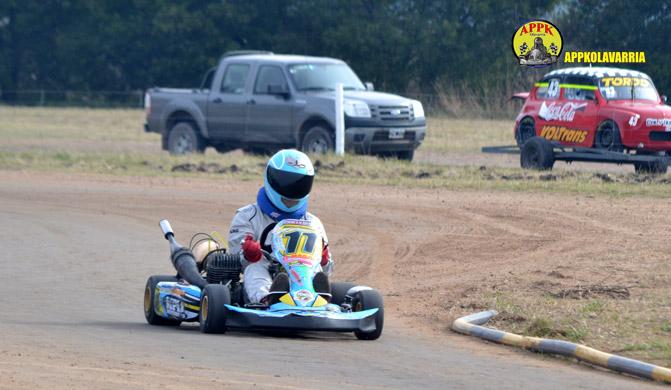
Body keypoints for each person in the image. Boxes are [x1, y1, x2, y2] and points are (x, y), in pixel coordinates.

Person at [227, 149, 333, 304]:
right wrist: (249, 253)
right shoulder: (248, 216)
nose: (292, 191)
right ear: (271, 179)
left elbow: (327, 270)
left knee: (314, 270)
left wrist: (323, 260)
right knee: (255, 266)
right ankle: (268, 299)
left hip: (300, 272)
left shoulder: (313, 223)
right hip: (266, 270)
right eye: (286, 182)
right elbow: (236, 260)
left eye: (299, 184)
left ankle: (319, 300)